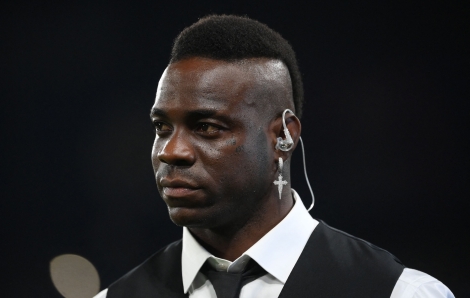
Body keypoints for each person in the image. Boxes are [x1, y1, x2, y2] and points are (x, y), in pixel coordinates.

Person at [94, 15, 454, 298]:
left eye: (206, 127)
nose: (172, 151)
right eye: (162, 128)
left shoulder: (401, 293)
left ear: (283, 135)